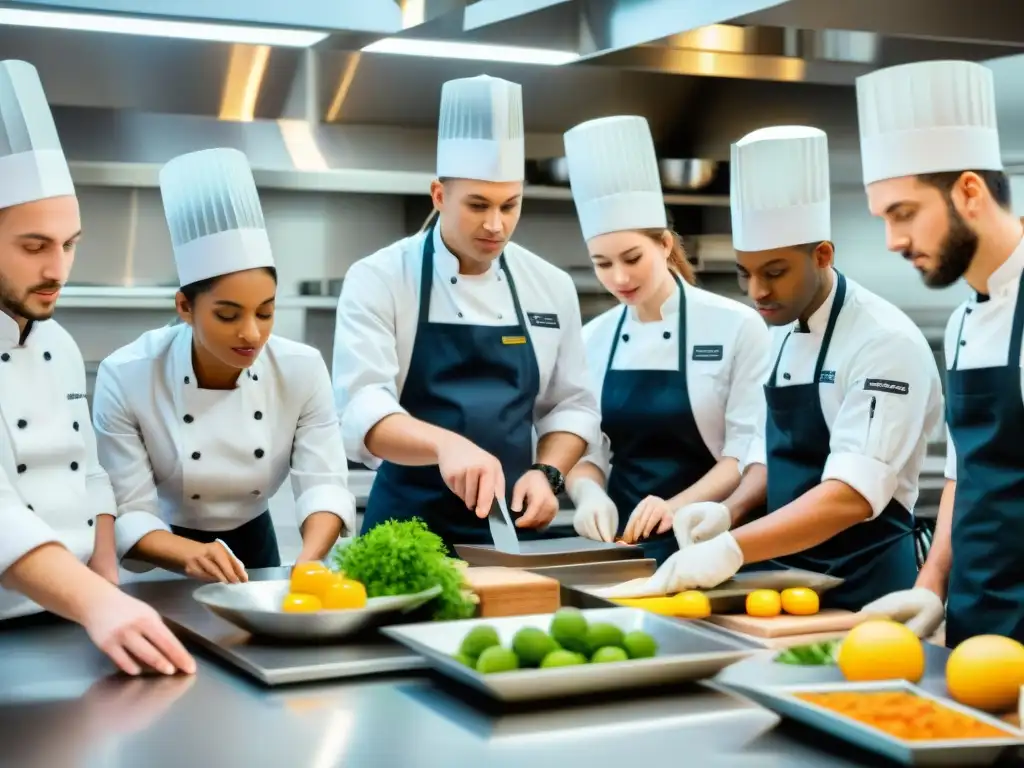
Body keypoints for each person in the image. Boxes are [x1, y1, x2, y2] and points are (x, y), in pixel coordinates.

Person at [601, 125, 944, 610]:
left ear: (822, 255)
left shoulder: (882, 340)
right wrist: (729, 510)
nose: (757, 291)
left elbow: (851, 494)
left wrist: (734, 547)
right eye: (746, 273)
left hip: (865, 587)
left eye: (776, 272)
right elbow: (772, 451)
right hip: (789, 579)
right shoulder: (780, 329)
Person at [333, 74, 601, 555]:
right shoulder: (380, 276)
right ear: (439, 195)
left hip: (506, 529)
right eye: (477, 205)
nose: (496, 225)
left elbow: (572, 405)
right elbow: (361, 409)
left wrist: (547, 472)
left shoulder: (550, 285)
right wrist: (444, 445)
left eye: (510, 205)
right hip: (403, 531)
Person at [0, 59, 193, 676]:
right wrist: (96, 604)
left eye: (70, 243)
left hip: (73, 619)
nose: (59, 268)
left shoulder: (56, 339)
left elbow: (89, 476)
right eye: (34, 246)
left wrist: (107, 582)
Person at [92, 148, 356, 580]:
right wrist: (186, 555)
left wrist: (306, 567)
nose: (251, 333)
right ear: (185, 307)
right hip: (165, 553)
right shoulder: (128, 375)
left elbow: (323, 483)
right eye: (228, 315)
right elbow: (130, 509)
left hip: (258, 544)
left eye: (266, 312)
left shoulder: (301, 368)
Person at [854, 60, 1024, 645]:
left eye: (903, 214)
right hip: (978, 612)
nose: (893, 241)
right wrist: (932, 583)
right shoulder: (959, 324)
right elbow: (964, 471)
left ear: (968, 192)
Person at [560, 115, 770, 565]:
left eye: (632, 258)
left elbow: (744, 454)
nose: (619, 277)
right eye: (602, 263)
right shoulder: (593, 338)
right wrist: (589, 494)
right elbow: (584, 447)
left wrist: (675, 506)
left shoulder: (737, 326)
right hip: (623, 546)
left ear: (664, 244)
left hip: (713, 539)